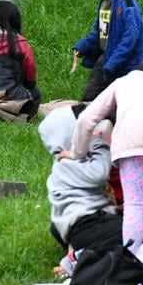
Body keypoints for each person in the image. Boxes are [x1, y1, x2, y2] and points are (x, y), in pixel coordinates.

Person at [62, 63, 143, 253]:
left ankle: (130, 262)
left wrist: (76, 152)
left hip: (132, 139)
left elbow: (87, 119)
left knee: (135, 204)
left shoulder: (122, 82)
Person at [38, 105, 120, 272]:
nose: (91, 133)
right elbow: (99, 173)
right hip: (86, 223)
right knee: (134, 233)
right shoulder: (66, 163)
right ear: (71, 137)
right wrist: (99, 143)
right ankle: (79, 258)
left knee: (125, 225)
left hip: (80, 223)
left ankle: (79, 249)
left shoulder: (75, 161)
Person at [72, 0, 143, 102]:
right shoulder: (105, 3)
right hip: (106, 59)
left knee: (123, 101)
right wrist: (83, 46)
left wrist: (114, 62)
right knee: (91, 96)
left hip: (124, 66)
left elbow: (130, 37)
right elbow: (98, 31)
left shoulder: (127, 4)